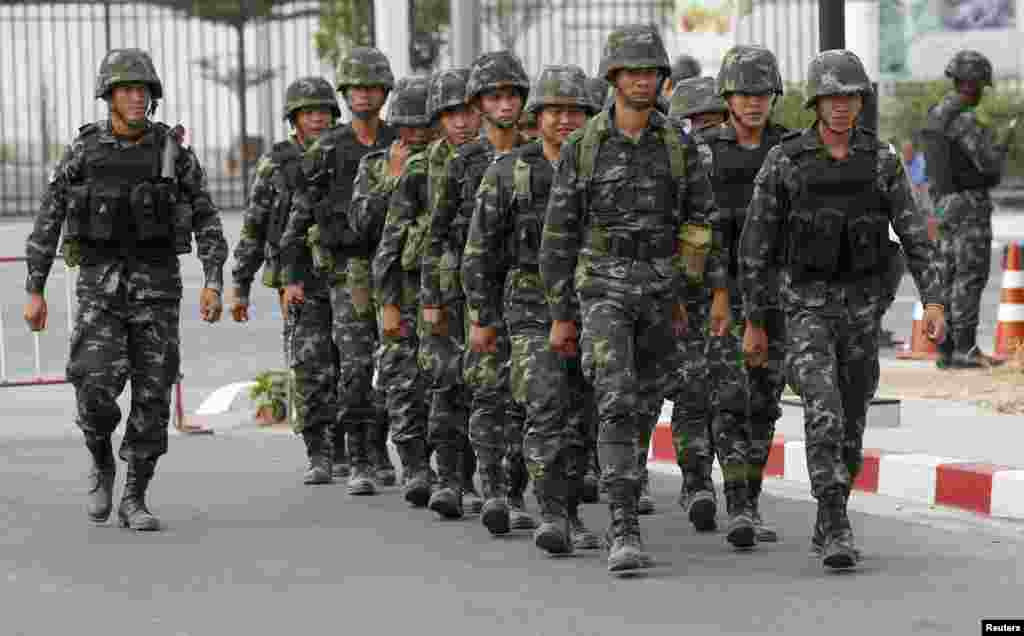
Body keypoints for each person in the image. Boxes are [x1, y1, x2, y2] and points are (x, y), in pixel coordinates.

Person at [740, 49, 946, 569]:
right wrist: (755, 322)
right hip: (804, 309)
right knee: (823, 411)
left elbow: (914, 233)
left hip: (862, 313)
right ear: (815, 102)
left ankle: (832, 513)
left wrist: (935, 299)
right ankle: (834, 520)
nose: (840, 107)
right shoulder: (785, 161)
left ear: (860, 103)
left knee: (852, 422)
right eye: (831, 97)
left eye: (850, 97)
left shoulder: (881, 161)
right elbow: (756, 247)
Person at [541, 24, 724, 573]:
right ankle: (623, 526)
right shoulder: (584, 146)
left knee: (644, 406)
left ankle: (627, 489)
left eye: (651, 71)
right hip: (601, 287)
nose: (643, 81)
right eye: (632, 71)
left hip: (662, 292)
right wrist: (559, 314)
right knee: (616, 399)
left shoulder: (678, 145)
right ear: (614, 77)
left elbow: (701, 221)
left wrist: (705, 293)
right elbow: (558, 234)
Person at [24, 48, 227, 530]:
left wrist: (215, 280)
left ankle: (135, 495)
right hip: (100, 291)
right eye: (126, 90)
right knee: (93, 387)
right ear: (109, 96)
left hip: (158, 290)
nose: (136, 98)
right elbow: (50, 217)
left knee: (153, 399)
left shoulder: (172, 152)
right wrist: (35, 287)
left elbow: (206, 216)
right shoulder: (84, 152)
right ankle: (100, 457)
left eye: (143, 90)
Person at [463, 64, 602, 554]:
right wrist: (482, 317)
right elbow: (478, 250)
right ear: (537, 115)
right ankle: (554, 514)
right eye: (555, 111)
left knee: (585, 414)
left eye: (575, 111)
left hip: (594, 303)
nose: (565, 120)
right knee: (544, 407)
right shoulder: (508, 173)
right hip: (528, 306)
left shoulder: (601, 167)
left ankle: (572, 508)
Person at [421, 51, 534, 529]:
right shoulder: (463, 162)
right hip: (477, 294)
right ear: (479, 103)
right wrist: (431, 300)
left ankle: (516, 488)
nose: (504, 105)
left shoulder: (539, 153)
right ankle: (490, 488)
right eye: (494, 96)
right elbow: (438, 232)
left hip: (532, 292)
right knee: (485, 390)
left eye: (511, 95)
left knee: (528, 395)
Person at [280, 47, 398, 490]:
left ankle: (382, 443)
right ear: (346, 93)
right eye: (357, 87)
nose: (365, 95)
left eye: (372, 86)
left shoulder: (398, 142)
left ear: (384, 91)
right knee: (354, 364)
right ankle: (359, 456)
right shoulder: (328, 148)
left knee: (396, 366)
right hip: (347, 271)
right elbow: (300, 214)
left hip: (396, 271)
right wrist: (292, 276)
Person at [701, 45, 790, 548]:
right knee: (730, 398)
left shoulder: (791, 149)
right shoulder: (706, 152)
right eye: (743, 93)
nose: (754, 102)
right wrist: (715, 293)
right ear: (728, 97)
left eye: (761, 93)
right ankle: (737, 504)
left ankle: (750, 501)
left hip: (778, 294)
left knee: (766, 401)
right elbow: (698, 231)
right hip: (724, 294)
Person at [230, 76, 338, 444]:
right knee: (307, 363)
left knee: (352, 362)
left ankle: (354, 445)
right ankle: (319, 446)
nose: (317, 119)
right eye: (308, 112)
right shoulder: (275, 164)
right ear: (294, 118)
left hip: (344, 271)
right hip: (294, 275)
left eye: (323, 111)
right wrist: (241, 285)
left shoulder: (345, 151)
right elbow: (254, 225)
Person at [349, 75, 434, 502]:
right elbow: (362, 226)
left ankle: (450, 468)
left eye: (425, 128)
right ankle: (414, 465)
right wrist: (393, 179)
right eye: (408, 128)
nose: (416, 136)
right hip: (393, 288)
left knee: (446, 382)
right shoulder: (375, 165)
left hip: (442, 289)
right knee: (400, 379)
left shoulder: (448, 162)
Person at [664, 74, 729, 532]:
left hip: (732, 295)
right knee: (690, 393)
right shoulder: (669, 167)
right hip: (683, 293)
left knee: (730, 397)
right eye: (694, 123)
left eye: (712, 121)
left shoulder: (744, 161)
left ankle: (737, 494)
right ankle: (697, 482)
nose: (704, 131)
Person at [921, 49, 1013, 369]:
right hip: (968, 204)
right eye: (981, 86)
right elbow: (987, 166)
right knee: (970, 274)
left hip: (943, 204)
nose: (981, 94)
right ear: (971, 84)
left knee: (946, 274)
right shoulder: (962, 119)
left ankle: (946, 350)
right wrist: (999, 148)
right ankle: (966, 348)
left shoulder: (935, 114)